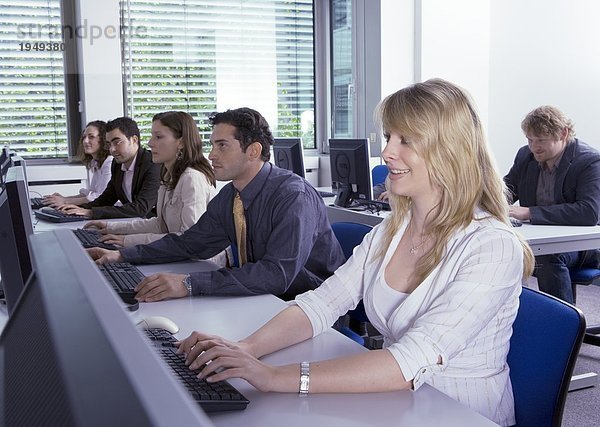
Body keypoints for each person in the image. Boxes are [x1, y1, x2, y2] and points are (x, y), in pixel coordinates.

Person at [174, 80, 535, 427]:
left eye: (406, 140)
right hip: (394, 403)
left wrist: (273, 377)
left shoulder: (491, 245)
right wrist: (246, 348)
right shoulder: (391, 231)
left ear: (450, 150)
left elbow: (408, 362)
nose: (388, 152)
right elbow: (321, 304)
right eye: (389, 137)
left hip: (459, 412)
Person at [87, 107, 345, 301]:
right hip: (266, 300)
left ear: (253, 151)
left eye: (222, 146)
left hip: (310, 305)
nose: (211, 154)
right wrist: (121, 255)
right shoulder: (232, 196)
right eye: (212, 145)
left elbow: (275, 276)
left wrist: (189, 284)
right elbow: (190, 242)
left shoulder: (292, 197)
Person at [504, 105, 600, 304]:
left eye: (541, 140)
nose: (534, 147)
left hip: (583, 246)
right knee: (505, 249)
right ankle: (519, 319)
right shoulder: (526, 156)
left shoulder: (589, 161)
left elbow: (589, 212)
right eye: (530, 140)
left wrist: (530, 212)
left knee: (549, 258)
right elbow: (507, 191)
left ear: (563, 134)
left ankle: (566, 329)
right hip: (543, 239)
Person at [83, 111, 220, 249]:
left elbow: (189, 239)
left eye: (158, 137)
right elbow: (160, 224)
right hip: (176, 254)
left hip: (199, 263)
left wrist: (127, 241)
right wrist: (110, 227)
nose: (150, 143)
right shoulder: (168, 175)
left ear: (181, 142)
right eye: (152, 136)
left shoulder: (192, 178)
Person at [60, 116, 161, 219]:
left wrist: (91, 213)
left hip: (154, 226)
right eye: (109, 144)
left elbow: (141, 208)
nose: (112, 149)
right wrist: (77, 209)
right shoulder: (117, 164)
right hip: (134, 222)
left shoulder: (152, 164)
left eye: (117, 142)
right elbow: (106, 199)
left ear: (134, 140)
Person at [43, 120, 112, 207]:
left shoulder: (109, 163)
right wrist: (64, 198)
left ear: (103, 139)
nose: (85, 141)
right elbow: (90, 194)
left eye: (91, 137)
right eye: (84, 137)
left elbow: (99, 197)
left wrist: (64, 201)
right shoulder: (96, 163)